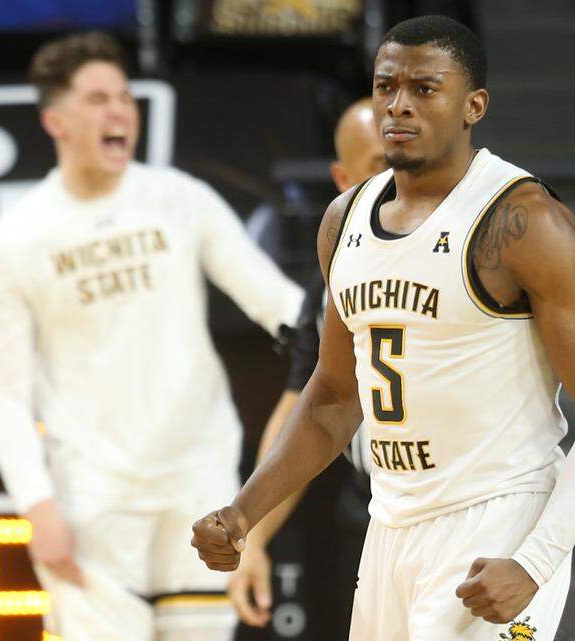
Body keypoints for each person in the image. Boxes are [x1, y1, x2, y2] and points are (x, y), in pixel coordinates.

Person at [192, 15, 575, 641]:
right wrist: (245, 512)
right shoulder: (343, 221)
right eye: (386, 87)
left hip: (498, 522)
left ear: (472, 106)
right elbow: (331, 401)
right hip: (392, 525)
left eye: (425, 89)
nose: (398, 106)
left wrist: (536, 561)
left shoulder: (524, 221)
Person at [0, 32, 304, 641]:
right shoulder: (13, 240)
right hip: (91, 500)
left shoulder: (180, 199)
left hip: (198, 484)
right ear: (56, 120)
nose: (119, 111)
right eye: (97, 99)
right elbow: (4, 395)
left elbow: (277, 303)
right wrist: (36, 506)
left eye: (124, 97)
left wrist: (336, 325)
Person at [228, 97, 386, 631]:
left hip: (476, 505)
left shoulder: (487, 246)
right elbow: (309, 408)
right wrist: (252, 529)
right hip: (376, 511)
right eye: (381, 166)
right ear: (344, 179)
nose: (400, 178)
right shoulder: (336, 270)